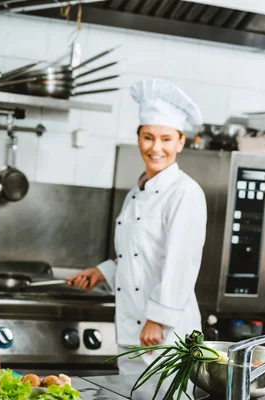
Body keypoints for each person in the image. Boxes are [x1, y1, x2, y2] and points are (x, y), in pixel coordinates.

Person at [66, 78, 207, 374]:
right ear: (138, 138)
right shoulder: (137, 192)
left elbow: (180, 263)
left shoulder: (185, 192)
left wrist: (158, 318)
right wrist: (102, 271)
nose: (156, 148)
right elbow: (138, 256)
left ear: (181, 141)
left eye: (166, 139)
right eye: (148, 137)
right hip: (133, 326)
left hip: (165, 333)